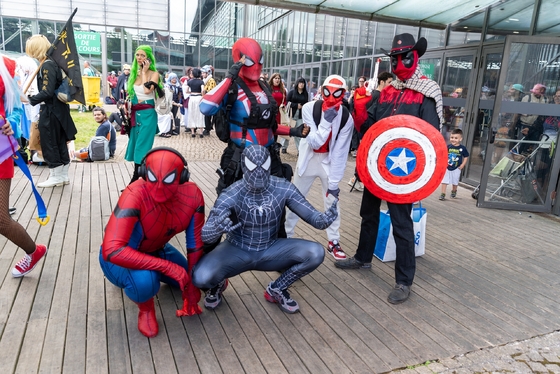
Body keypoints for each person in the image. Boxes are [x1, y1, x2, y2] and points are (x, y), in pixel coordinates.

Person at [335, 33, 443, 305]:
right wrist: (360, 110)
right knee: (368, 213)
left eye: (403, 56)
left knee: (401, 224)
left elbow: (430, 136)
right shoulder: (388, 91)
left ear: (414, 56)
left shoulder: (427, 91)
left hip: (403, 173)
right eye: (394, 57)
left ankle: (404, 280)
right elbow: (371, 127)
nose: (398, 62)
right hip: (377, 166)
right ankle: (363, 257)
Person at [192, 145, 338, 313]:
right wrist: (216, 229)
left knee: (315, 252)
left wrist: (325, 219)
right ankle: (218, 283)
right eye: (254, 167)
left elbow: (312, 216)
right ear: (245, 166)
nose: (259, 172)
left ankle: (277, 288)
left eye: (264, 166)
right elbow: (205, 236)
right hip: (237, 248)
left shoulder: (283, 188)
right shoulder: (231, 193)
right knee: (201, 277)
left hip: (270, 247)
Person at [100, 147, 205, 337]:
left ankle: (147, 276)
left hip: (157, 249)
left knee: (194, 278)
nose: (159, 187)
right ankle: (146, 309)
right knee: (146, 282)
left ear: (182, 177)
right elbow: (112, 250)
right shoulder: (135, 193)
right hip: (118, 260)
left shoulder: (193, 195)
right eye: (153, 178)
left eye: (168, 180)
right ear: (143, 173)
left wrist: (193, 287)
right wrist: (166, 267)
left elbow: (195, 244)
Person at [199, 37, 308, 195]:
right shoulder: (233, 88)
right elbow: (206, 107)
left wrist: (294, 131)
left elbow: (270, 126)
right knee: (232, 208)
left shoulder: (264, 87)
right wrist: (230, 77)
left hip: (270, 158)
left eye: (260, 60)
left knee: (274, 208)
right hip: (240, 159)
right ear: (239, 59)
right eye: (249, 61)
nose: (256, 66)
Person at [284, 75, 353, 261]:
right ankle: (285, 236)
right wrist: (326, 122)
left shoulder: (346, 117)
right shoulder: (309, 108)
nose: (331, 97)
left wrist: (335, 182)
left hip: (328, 162)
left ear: (343, 94)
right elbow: (314, 142)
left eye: (337, 93)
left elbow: (340, 151)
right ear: (321, 90)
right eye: (327, 91)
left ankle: (333, 241)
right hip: (309, 159)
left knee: (332, 202)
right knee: (294, 200)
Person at [0, 54, 48, 277]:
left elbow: (17, 107)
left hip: (0, 151)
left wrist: (13, 123)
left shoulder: (6, 66)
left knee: (1, 220)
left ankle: (33, 251)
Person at [26, 34, 77, 188]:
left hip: (51, 111)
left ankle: (56, 176)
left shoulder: (47, 65)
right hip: (59, 110)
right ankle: (62, 176)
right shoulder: (53, 63)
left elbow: (47, 92)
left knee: (50, 142)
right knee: (59, 142)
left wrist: (29, 99)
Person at [124, 45, 161, 185]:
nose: (139, 58)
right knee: (135, 145)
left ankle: (135, 178)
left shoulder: (154, 74)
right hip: (136, 114)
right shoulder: (133, 74)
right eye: (137, 55)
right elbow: (131, 94)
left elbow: (147, 91)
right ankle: (144, 177)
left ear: (148, 58)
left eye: (142, 55)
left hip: (148, 114)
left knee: (142, 146)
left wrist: (145, 72)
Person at [439, 128, 469, 200]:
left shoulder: (462, 148)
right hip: (447, 167)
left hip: (457, 167)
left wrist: (463, 165)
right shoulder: (448, 147)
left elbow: (466, 156)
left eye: (456, 138)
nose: (453, 139)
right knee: (444, 181)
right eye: (452, 137)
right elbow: (444, 155)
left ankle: (454, 191)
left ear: (460, 139)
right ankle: (443, 194)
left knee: (455, 181)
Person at [283, 77, 309, 153]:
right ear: (297, 83)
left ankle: (299, 150)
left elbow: (306, 103)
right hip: (291, 114)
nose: (301, 84)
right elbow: (287, 102)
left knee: (299, 132)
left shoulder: (305, 93)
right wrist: (295, 105)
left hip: (301, 115)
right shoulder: (292, 92)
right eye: (300, 83)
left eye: (303, 83)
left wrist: (303, 106)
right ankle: (284, 147)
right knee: (287, 130)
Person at [269, 73, 287, 151]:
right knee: (269, 130)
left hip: (279, 113)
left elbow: (285, 100)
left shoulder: (283, 90)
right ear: (272, 79)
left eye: (278, 78)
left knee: (276, 130)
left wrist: (284, 105)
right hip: (270, 112)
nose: (277, 80)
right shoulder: (268, 89)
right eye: (275, 78)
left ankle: (274, 149)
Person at [186, 68, 205, 138]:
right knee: (200, 114)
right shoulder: (201, 82)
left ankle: (193, 132)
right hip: (199, 98)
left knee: (191, 113)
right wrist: (202, 95)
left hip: (192, 98)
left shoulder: (190, 82)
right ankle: (201, 132)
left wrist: (192, 92)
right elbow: (203, 91)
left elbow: (186, 91)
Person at [201, 65, 216, 136]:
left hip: (209, 100)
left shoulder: (211, 80)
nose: (202, 74)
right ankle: (207, 128)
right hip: (206, 99)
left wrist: (204, 92)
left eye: (204, 73)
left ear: (208, 73)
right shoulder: (206, 80)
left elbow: (210, 91)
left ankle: (207, 129)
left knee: (207, 116)